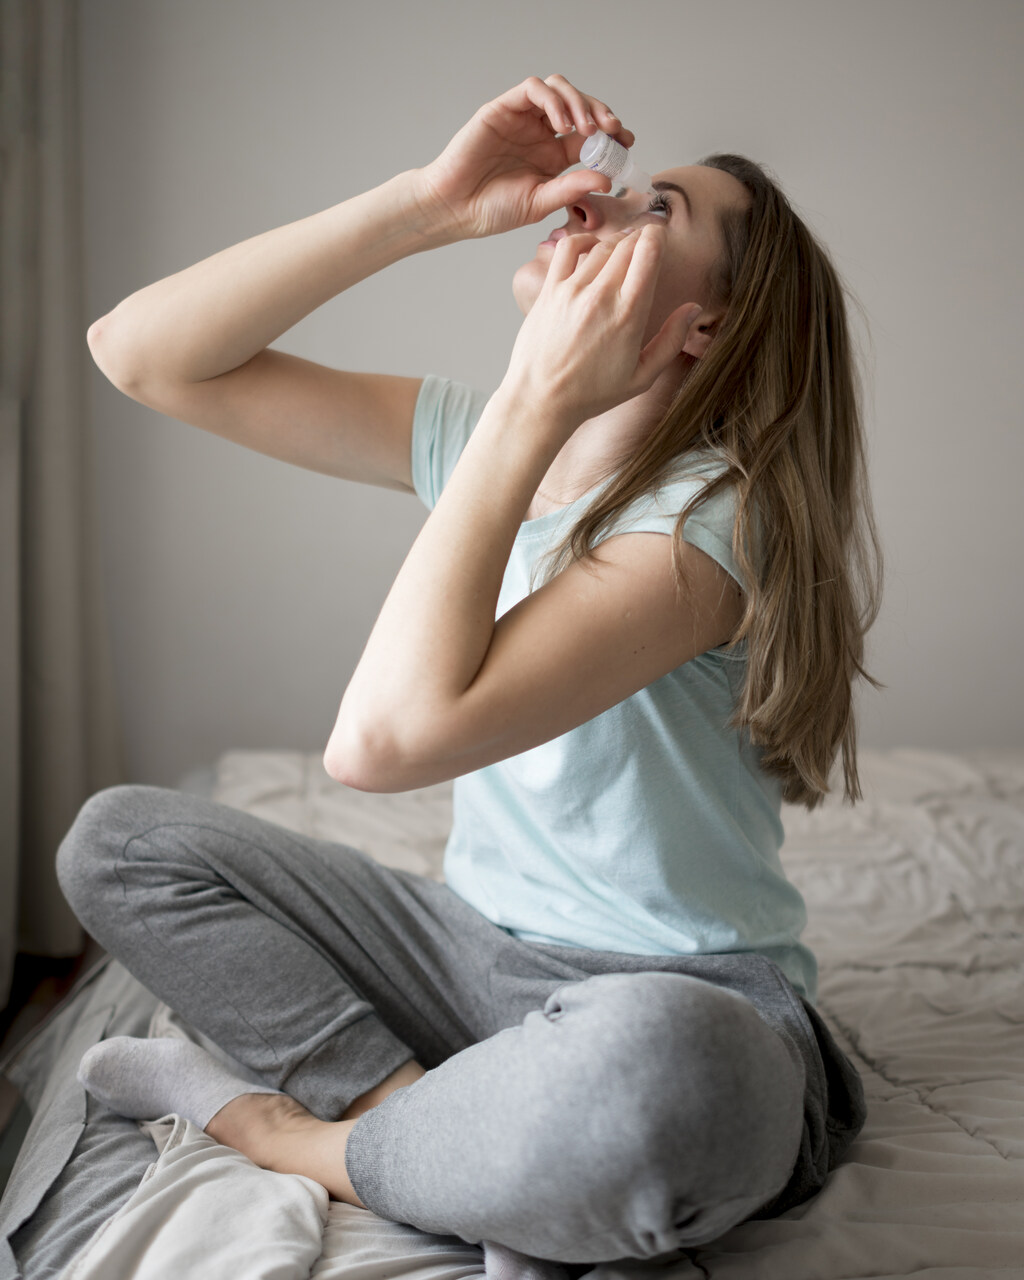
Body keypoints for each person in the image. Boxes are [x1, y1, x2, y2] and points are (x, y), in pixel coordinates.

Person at [59, 73, 881, 1271]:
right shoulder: (479, 434)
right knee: (120, 842)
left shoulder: (715, 523)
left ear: (702, 327)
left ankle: (304, 1138)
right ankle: (417, 1116)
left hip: (674, 991)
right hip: (467, 951)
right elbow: (138, 353)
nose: (593, 198)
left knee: (668, 1070)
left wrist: (534, 400)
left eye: (656, 208)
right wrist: (426, 206)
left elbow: (379, 744)